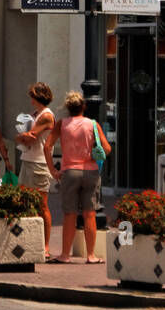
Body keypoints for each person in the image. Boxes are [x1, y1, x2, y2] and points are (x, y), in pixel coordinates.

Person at [45, 91, 112, 263]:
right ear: (84, 106)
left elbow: (47, 146)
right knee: (90, 214)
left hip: (70, 171)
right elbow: (107, 149)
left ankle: (65, 254)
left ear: (68, 108)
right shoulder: (92, 124)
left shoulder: (62, 124)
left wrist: (53, 169)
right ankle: (91, 255)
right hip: (90, 171)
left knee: (70, 214)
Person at [16, 81, 55, 257]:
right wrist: (22, 136)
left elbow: (30, 138)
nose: (30, 100)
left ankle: (46, 246)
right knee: (23, 201)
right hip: (28, 160)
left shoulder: (46, 116)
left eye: (32, 96)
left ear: (38, 96)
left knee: (42, 205)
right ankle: (29, 240)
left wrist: (22, 136)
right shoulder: (36, 114)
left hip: (39, 163)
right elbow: (23, 137)